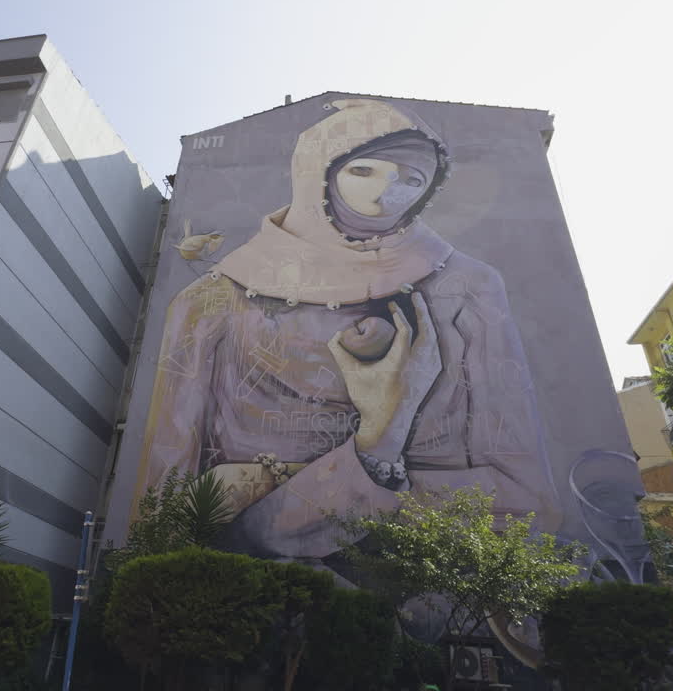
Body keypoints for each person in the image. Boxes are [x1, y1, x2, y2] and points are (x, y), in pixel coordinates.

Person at [136, 98, 561, 560]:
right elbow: (162, 520)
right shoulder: (209, 301)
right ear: (317, 171)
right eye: (364, 171)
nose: (385, 194)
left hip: (424, 597)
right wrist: (368, 467)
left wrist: (278, 485)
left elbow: (526, 503)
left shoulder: (469, 288)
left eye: (411, 180)